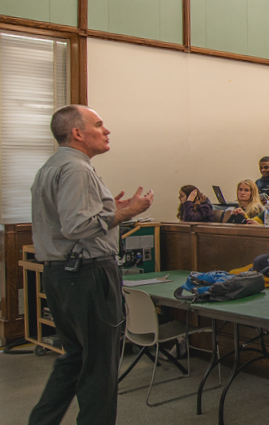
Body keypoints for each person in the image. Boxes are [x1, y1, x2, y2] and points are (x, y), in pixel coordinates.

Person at [29, 105, 155, 425]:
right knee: (100, 367)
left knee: (74, 359)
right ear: (77, 133)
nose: (106, 130)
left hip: (61, 275)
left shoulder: (51, 167)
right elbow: (77, 226)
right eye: (99, 124)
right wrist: (125, 214)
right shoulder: (77, 169)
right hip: (88, 274)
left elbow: (70, 221)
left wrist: (112, 213)